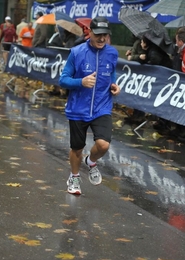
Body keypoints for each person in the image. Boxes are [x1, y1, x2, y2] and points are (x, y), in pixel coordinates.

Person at [59, 17, 121, 195]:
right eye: (98, 35)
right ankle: (75, 176)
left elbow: (112, 72)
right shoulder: (77, 52)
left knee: (103, 145)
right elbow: (63, 80)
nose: (102, 39)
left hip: (102, 107)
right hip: (78, 108)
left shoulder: (112, 53)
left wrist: (114, 84)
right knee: (77, 148)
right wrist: (81, 81)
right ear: (90, 33)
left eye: (105, 35)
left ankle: (91, 161)